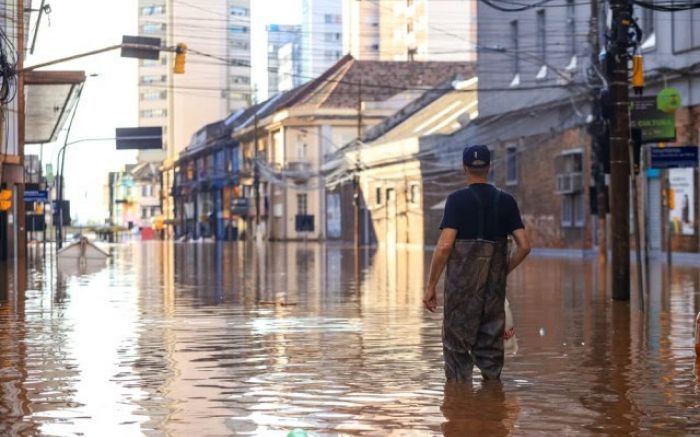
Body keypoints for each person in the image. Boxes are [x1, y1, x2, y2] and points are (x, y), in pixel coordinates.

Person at [423, 145, 531, 381]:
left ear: (464, 168)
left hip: (461, 297)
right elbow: (524, 245)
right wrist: (503, 270)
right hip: (493, 295)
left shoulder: (455, 201)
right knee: (491, 360)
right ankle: (491, 409)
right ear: (489, 168)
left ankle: (461, 412)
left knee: (457, 359)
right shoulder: (506, 201)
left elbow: (444, 246)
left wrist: (431, 285)